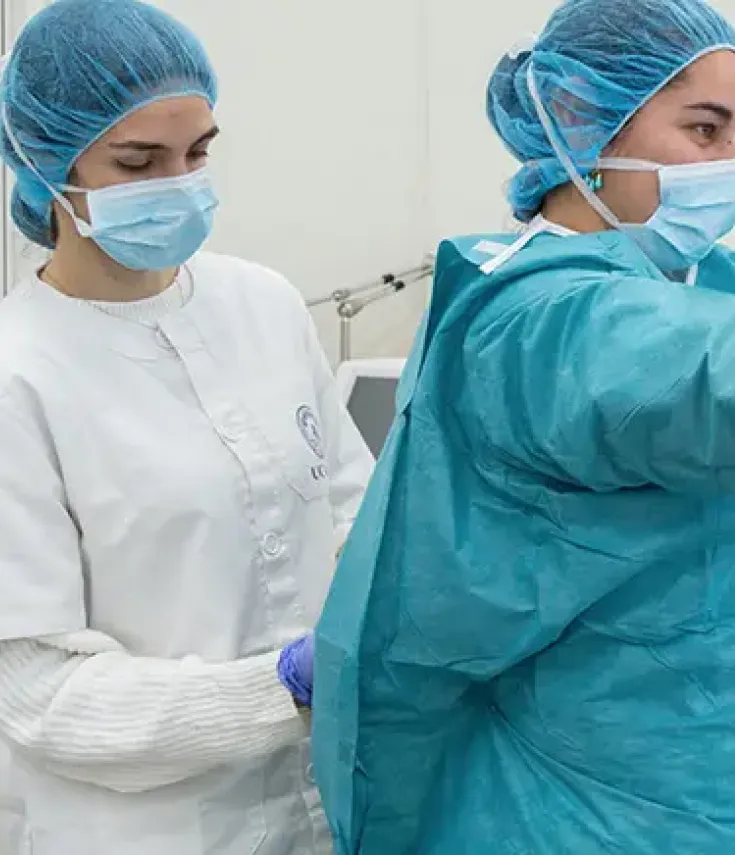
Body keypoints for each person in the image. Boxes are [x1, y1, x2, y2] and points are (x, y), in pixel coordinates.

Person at [311, 0, 735, 852]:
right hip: (583, 808)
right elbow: (693, 373)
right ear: (579, 121)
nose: (728, 162)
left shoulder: (690, 281)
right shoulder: (535, 318)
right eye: (704, 129)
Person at [0, 2, 373, 854]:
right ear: (45, 164)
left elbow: (348, 510)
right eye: (138, 162)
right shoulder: (18, 374)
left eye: (197, 152)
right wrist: (284, 688)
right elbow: (40, 696)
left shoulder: (263, 303)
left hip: (319, 808)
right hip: (146, 830)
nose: (178, 182)